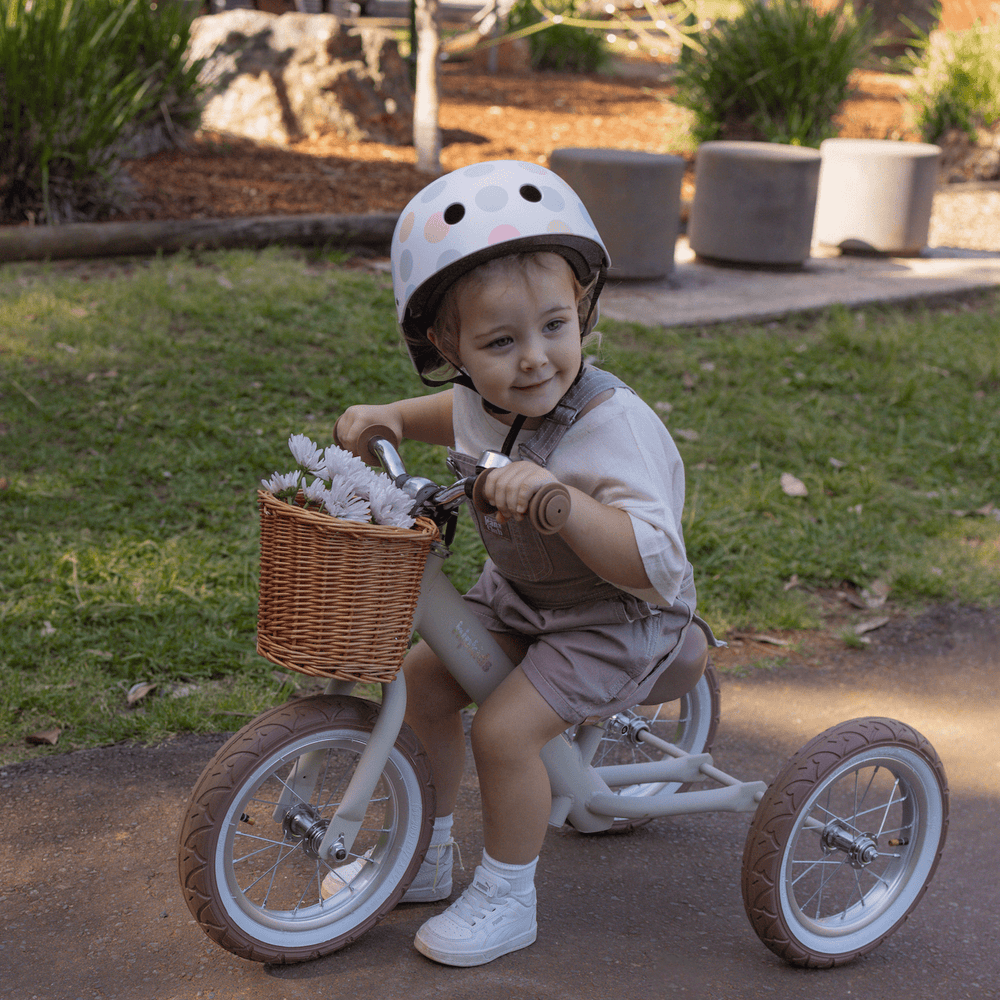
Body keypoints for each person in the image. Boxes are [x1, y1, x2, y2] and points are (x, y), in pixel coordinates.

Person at [335, 160, 714, 967]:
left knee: (506, 732)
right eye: (501, 342)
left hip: (617, 618)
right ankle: (425, 850)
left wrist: (563, 501)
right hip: (522, 601)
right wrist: (387, 417)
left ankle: (509, 896)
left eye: (554, 326)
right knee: (422, 683)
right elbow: (454, 414)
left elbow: (656, 563)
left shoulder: (612, 427)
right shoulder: (485, 398)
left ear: (582, 309)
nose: (535, 359)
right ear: (450, 347)